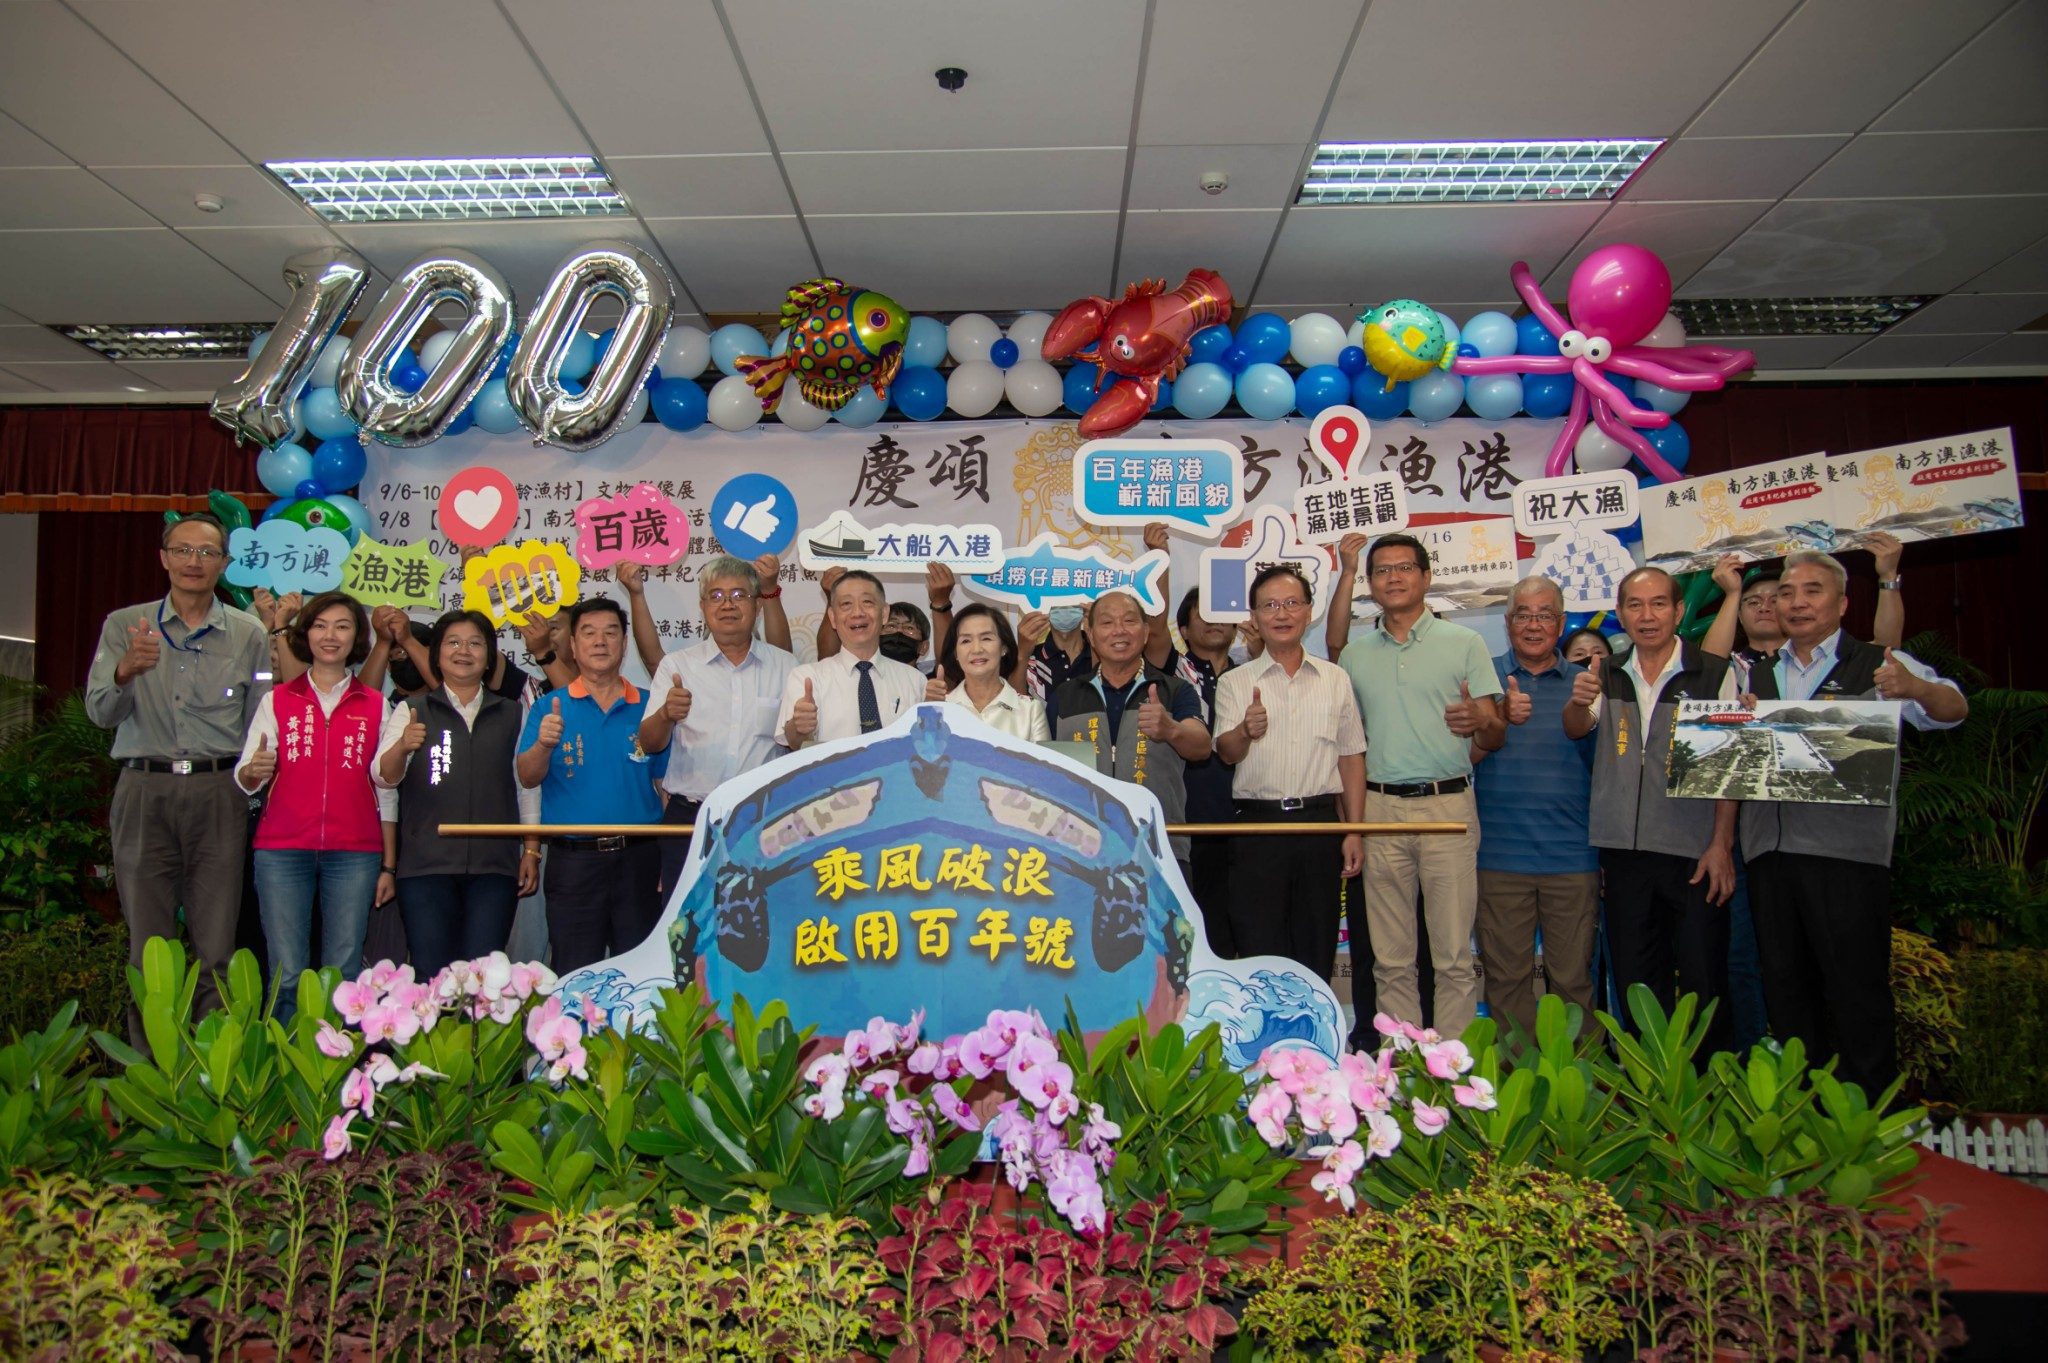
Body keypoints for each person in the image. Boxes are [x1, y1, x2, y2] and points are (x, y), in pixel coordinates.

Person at [1742, 550, 1965, 1098]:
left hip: (1848, 856)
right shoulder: (1754, 671)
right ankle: (1805, 1117)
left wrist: (1915, 689)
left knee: (1856, 991)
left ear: (1843, 603)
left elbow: (1954, 708)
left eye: (1812, 591)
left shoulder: (1880, 664)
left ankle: (1867, 1125)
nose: (1796, 603)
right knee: (1788, 990)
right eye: (1786, 593)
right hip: (1769, 854)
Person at [86, 514, 270, 1033]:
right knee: (149, 949)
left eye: (207, 553)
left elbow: (262, 720)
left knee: (217, 945)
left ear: (223, 564)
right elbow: (99, 712)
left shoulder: (249, 634)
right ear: (164, 557)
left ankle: (214, 1072)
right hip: (145, 789)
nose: (195, 562)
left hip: (219, 793)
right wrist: (125, 671)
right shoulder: (126, 625)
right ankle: (151, 1074)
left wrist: (256, 772)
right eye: (183, 550)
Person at [1334, 532, 1504, 1040]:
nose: (1393, 577)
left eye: (1404, 567)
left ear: (1426, 577)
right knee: (1390, 959)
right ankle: (1401, 1072)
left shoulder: (1466, 643)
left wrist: (1480, 718)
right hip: (1380, 810)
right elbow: (1349, 747)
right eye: (1382, 570)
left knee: (1453, 956)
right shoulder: (1356, 657)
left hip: (1447, 807)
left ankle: (1452, 1074)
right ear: (1371, 583)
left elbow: (1496, 732)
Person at [1563, 565, 1738, 1050]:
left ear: (1679, 611)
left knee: (1704, 980)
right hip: (1624, 854)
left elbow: (1729, 768)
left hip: (1694, 852)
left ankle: (1706, 1096)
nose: (1647, 615)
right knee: (1638, 984)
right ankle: (1648, 1095)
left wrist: (1721, 844)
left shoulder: (1713, 674)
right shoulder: (1609, 675)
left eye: (1659, 603)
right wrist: (1578, 701)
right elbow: (1578, 728)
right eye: (1635, 605)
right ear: (1620, 614)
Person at [233, 592, 398, 1019]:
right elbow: (246, 777)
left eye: (342, 626)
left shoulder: (377, 705)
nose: (330, 635)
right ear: (305, 633)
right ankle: (286, 1071)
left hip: (355, 852)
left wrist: (388, 864)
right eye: (320, 625)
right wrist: (255, 769)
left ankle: (337, 1075)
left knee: (343, 972)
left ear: (356, 637)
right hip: (282, 849)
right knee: (286, 973)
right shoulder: (279, 699)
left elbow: (386, 785)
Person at [1213, 566, 1365, 977]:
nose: (1281, 614)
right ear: (1255, 617)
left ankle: (1311, 1041)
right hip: (1257, 829)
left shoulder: (1336, 679)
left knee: (1315, 946)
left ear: (1309, 611)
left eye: (1291, 603)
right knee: (1260, 948)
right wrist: (1245, 731)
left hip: (1320, 826)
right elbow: (1226, 753)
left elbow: (1350, 757)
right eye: (1270, 606)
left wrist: (1353, 830)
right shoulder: (1235, 681)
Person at [373, 610, 541, 979]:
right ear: (437, 654)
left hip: (493, 868)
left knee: (484, 977)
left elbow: (526, 785)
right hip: (425, 867)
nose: (463, 651)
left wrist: (530, 848)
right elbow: (383, 779)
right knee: (432, 975)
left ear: (489, 656)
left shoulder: (513, 712)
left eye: (475, 643)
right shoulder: (411, 710)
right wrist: (402, 747)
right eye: (453, 642)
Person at [1469, 577, 1600, 1041]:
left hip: (1573, 859)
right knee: (1506, 984)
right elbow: (1460, 762)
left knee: (1573, 983)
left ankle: (1580, 1096)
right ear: (1507, 624)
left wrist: (1583, 714)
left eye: (1545, 614)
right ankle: (1515, 1095)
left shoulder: (1587, 685)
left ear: (1561, 624)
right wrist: (1498, 718)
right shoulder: (1483, 680)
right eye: (1523, 614)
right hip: (1500, 860)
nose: (1533, 624)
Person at [517, 598, 667, 974]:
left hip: (640, 859)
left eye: (610, 632)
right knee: (573, 967)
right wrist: (543, 745)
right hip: (574, 862)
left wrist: (667, 858)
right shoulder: (550, 706)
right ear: (572, 645)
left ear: (624, 642)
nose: (600, 641)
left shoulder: (650, 707)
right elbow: (527, 776)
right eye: (588, 633)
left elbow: (666, 787)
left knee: (637, 970)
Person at [637, 555, 797, 893]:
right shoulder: (678, 665)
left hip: (762, 821)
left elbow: (798, 744)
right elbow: (649, 743)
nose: (727, 605)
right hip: (692, 819)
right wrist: (666, 714)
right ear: (703, 606)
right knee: (686, 929)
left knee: (760, 925)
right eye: (717, 595)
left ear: (756, 607)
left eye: (739, 595)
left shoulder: (786, 666)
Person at [1045, 590, 1212, 873]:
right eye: (1107, 623)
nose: (1119, 631)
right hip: (1081, 855)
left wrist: (1171, 730)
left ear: (1146, 632)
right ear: (1091, 634)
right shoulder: (1065, 695)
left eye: (1130, 621)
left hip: (1160, 850)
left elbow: (1202, 747)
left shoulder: (1174, 690)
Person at [779, 570, 929, 749]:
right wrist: (799, 727)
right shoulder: (807, 677)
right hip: (833, 777)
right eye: (846, 604)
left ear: (884, 613)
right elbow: (796, 744)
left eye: (867, 602)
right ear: (833, 618)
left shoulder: (915, 680)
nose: (857, 612)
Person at [1172, 588, 1240, 957]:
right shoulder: (1170, 673)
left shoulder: (1250, 675)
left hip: (1244, 822)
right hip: (1189, 822)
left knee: (1238, 928)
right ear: (1182, 628)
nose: (1214, 620)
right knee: (1192, 933)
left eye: (1222, 611)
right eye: (1204, 612)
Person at [939, 603, 1049, 740]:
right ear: (955, 653)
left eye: (986, 638)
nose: (977, 649)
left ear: (1003, 647)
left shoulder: (1030, 710)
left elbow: (1042, 761)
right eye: (966, 641)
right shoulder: (941, 708)